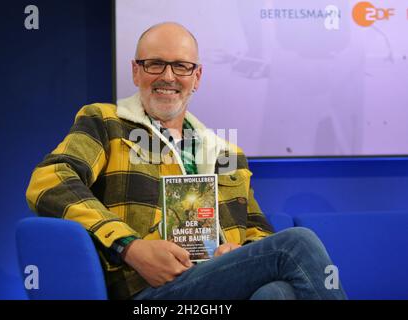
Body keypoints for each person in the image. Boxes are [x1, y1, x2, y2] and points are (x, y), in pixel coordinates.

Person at [26, 22, 347, 300]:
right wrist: (130, 246)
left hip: (218, 284)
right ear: (136, 71)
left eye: (181, 66)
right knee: (295, 244)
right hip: (147, 288)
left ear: (197, 77)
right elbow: (50, 181)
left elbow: (257, 230)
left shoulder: (225, 153)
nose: (168, 76)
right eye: (155, 64)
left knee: (277, 293)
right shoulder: (106, 122)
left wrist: (237, 253)